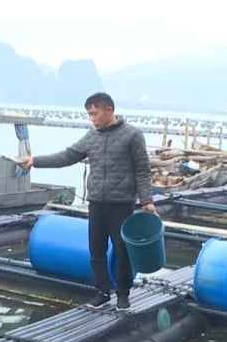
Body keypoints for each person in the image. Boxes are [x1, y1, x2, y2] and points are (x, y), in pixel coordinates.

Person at [20, 92, 155, 311]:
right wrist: (36, 161)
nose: (91, 118)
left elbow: (142, 170)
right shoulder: (91, 136)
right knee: (96, 250)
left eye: (95, 113)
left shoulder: (133, 135)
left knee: (122, 251)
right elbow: (67, 156)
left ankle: (123, 294)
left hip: (121, 203)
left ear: (109, 110)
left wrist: (147, 200)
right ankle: (102, 292)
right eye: (89, 114)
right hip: (96, 202)